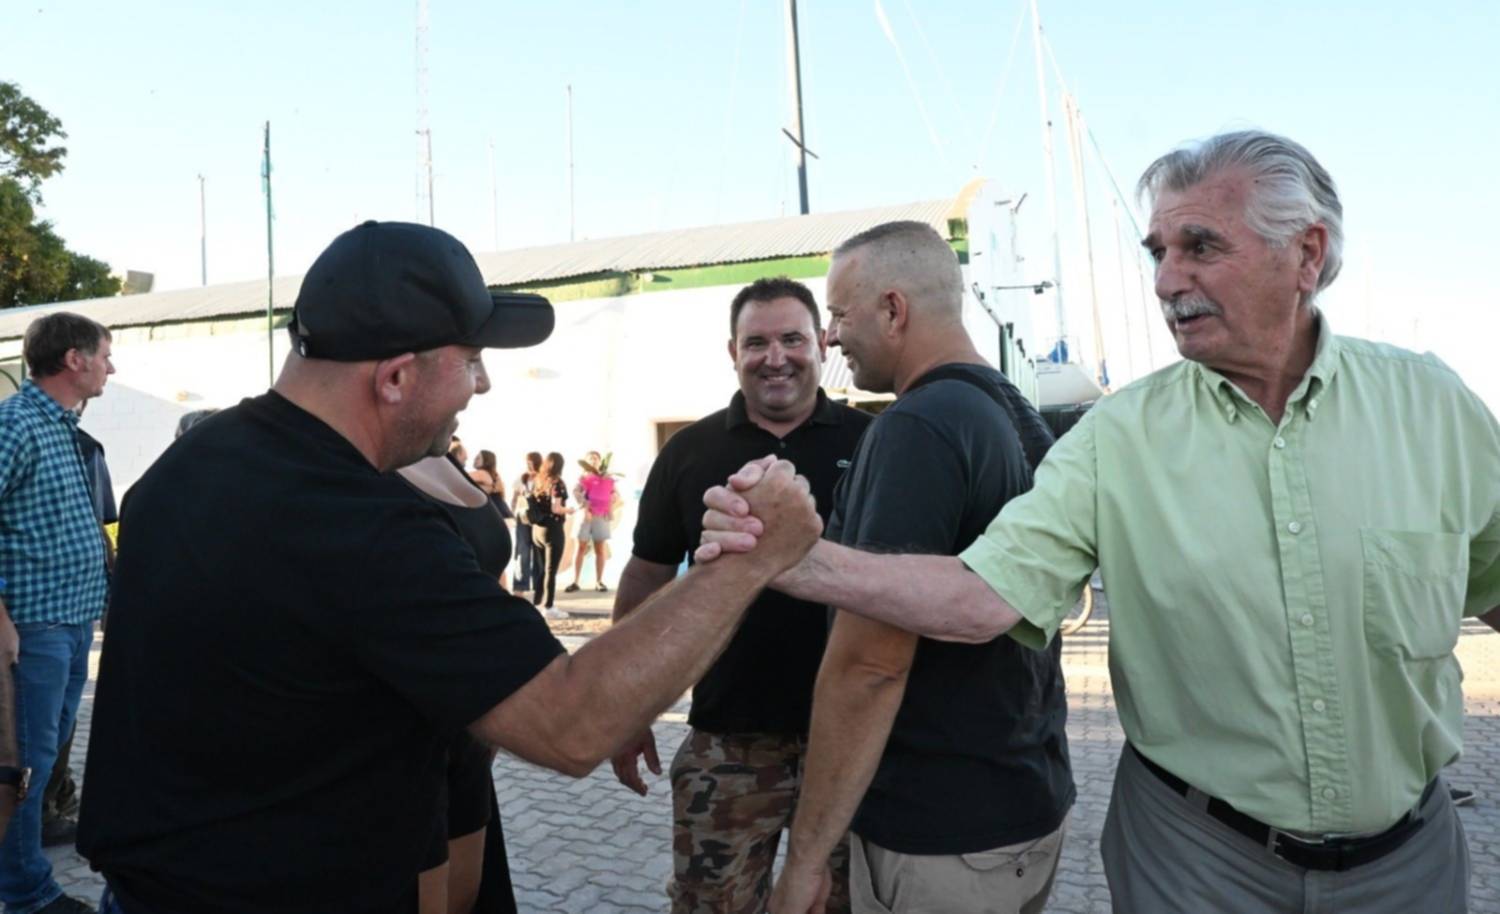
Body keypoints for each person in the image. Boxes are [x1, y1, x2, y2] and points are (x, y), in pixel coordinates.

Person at [701, 131, 1500, 914]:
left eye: (1200, 246)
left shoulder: (1434, 409)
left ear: (1307, 254)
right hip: (1196, 861)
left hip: (1409, 863)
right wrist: (797, 560)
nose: (1167, 280)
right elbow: (982, 597)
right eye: (1158, 253)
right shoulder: (1117, 435)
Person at [74, 220, 823, 914]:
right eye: (470, 361)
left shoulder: (185, 469)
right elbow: (571, 725)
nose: (482, 385)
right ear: (395, 377)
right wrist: (747, 560)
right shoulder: (361, 525)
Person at [760, 222, 1072, 914]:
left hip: (938, 836)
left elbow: (871, 664)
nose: (830, 337)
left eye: (839, 315)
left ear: (893, 310)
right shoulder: (1015, 414)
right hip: (1023, 805)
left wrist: (806, 860)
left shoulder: (917, 427)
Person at [610, 277, 873, 914]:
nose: (775, 357)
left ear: (822, 344)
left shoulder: (873, 443)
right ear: (733, 352)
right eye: (756, 343)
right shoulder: (689, 451)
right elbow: (646, 576)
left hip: (853, 738)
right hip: (727, 740)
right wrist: (625, 706)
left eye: (792, 339)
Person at [0, 312, 114, 914]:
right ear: (74, 358)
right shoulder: (16, 423)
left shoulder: (60, 426)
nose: (110, 367)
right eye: (104, 355)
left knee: (39, 764)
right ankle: (25, 894)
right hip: (34, 628)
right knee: (24, 766)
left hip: (68, 626)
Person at [397, 454, 514, 914]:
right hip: (399, 744)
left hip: (467, 737)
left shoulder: (437, 450)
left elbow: (490, 590)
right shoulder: (346, 458)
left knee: (466, 899)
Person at [40, 397, 120, 851]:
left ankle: (56, 798)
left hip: (72, 609)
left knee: (59, 718)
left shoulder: (84, 445)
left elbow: (101, 528)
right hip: (44, 612)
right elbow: (103, 525)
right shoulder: (78, 445)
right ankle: (43, 810)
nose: (110, 368)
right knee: (47, 723)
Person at [524, 452, 570, 618]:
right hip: (552, 529)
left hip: (537, 530)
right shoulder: (557, 483)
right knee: (551, 570)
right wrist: (570, 510)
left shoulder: (538, 480)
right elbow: (556, 508)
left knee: (543, 569)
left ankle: (537, 603)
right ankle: (549, 607)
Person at [565, 451, 618, 593]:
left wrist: (611, 498)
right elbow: (575, 492)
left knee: (600, 548)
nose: (594, 460)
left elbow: (614, 493)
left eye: (596, 458)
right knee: (580, 547)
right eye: (591, 458)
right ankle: (575, 581)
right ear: (586, 461)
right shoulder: (582, 477)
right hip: (584, 516)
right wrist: (586, 506)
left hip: (601, 516)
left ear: (600, 461)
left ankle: (599, 581)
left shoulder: (607, 477)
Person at [509, 453, 542, 595]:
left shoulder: (543, 478)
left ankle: (539, 586)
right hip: (522, 518)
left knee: (539, 552)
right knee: (522, 551)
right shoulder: (522, 478)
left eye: (532, 462)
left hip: (538, 519)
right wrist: (512, 513)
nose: (529, 464)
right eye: (528, 462)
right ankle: (520, 585)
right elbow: (514, 498)